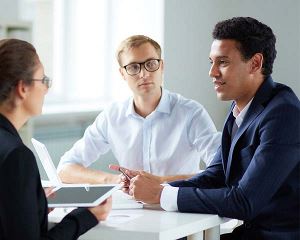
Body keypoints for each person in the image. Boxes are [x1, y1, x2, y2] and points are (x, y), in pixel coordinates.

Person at [127, 17, 300, 239]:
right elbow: (215, 175)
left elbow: (244, 201)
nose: (212, 72)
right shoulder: (239, 106)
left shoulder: (284, 114)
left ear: (255, 63)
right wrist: (148, 188)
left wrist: (161, 194)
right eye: (212, 62)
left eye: (223, 62)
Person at [57, 35, 221, 184]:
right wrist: (113, 180)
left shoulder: (191, 113)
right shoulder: (112, 116)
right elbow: (65, 169)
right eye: (134, 67)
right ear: (122, 73)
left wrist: (161, 182)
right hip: (131, 209)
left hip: (179, 207)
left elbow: (222, 170)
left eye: (150, 64)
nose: (144, 74)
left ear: (161, 66)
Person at [0, 39, 112, 239]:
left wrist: (35, 206)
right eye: (43, 80)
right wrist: (86, 216)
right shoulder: (17, 156)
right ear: (23, 88)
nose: (46, 89)